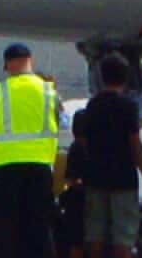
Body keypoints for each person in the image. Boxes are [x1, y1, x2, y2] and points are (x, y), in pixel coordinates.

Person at [0, 43, 63, 258]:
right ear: (30, 61)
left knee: (5, 231)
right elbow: (60, 123)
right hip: (41, 167)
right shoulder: (48, 90)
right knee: (39, 229)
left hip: (6, 168)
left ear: (8, 63)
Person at [83, 52, 142, 258]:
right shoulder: (128, 106)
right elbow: (134, 142)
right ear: (126, 76)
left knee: (95, 233)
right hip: (123, 178)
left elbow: (85, 140)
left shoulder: (93, 105)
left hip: (96, 176)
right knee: (123, 235)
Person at [58, 110, 89, 258]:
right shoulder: (82, 148)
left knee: (76, 243)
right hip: (81, 201)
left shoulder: (75, 147)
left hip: (74, 201)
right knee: (79, 243)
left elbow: (69, 178)